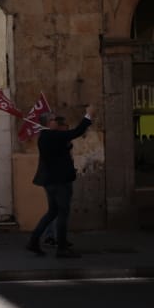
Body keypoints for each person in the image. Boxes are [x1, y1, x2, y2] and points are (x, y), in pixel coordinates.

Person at [26, 106, 93, 258]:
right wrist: (88, 115)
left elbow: (60, 150)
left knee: (52, 212)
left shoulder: (45, 136)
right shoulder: (52, 135)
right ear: (48, 123)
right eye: (54, 119)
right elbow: (76, 132)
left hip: (50, 181)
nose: (56, 121)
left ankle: (33, 240)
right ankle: (61, 248)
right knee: (63, 213)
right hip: (60, 182)